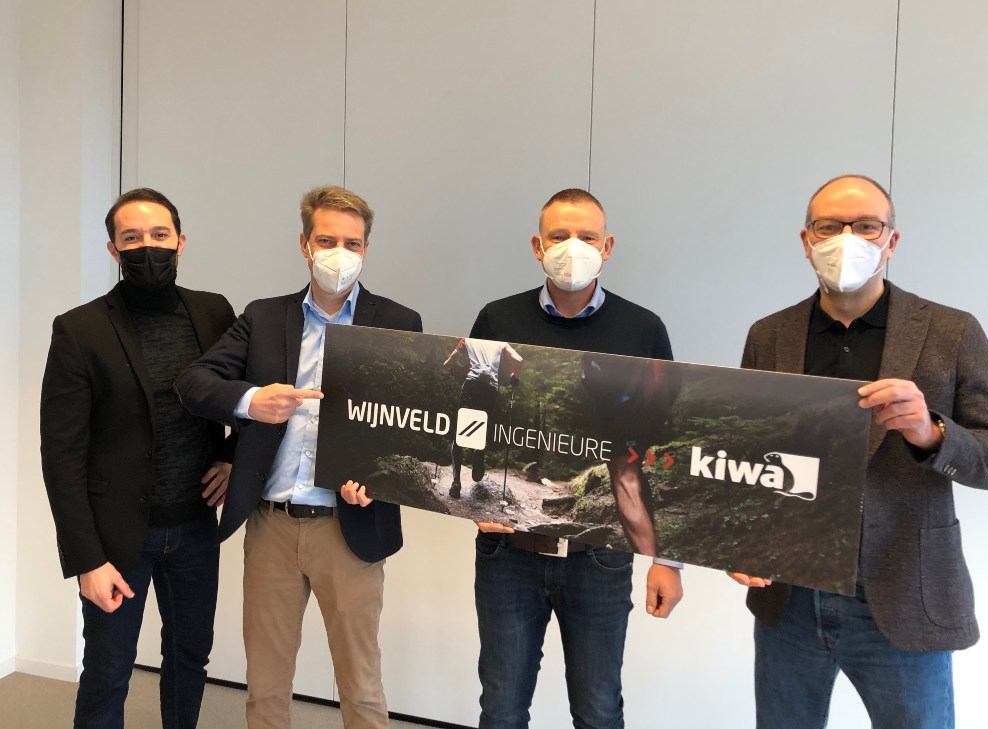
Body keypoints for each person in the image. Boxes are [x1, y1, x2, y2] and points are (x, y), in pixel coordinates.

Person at [729, 174, 988, 729]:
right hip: (790, 598)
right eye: (829, 226)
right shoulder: (769, 335)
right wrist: (739, 538)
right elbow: (743, 456)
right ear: (806, 240)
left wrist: (932, 432)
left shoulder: (951, 331)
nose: (846, 239)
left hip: (903, 592)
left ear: (891, 241)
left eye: (866, 226)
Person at [174, 185, 421, 729]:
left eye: (352, 243)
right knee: (265, 685)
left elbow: (411, 429)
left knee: (361, 684)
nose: (340, 254)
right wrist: (251, 401)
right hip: (272, 525)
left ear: (366, 249)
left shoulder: (399, 323)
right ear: (305, 244)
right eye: (327, 241)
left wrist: (382, 480)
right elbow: (194, 382)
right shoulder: (264, 317)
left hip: (350, 526)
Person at [467, 188, 683, 728]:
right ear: (537, 245)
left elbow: (665, 443)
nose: (573, 247)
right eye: (559, 235)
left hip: (600, 557)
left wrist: (668, 559)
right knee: (501, 705)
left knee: (598, 707)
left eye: (587, 236)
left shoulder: (643, 329)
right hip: (507, 553)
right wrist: (470, 498)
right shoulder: (497, 318)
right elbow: (470, 412)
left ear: (607, 246)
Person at [40, 188, 236, 729]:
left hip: (196, 527)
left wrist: (232, 456)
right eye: (131, 238)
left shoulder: (214, 312)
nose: (147, 246)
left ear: (180, 241)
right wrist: (85, 560)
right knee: (108, 671)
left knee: (189, 660)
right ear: (113, 249)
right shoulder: (79, 329)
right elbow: (61, 454)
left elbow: (246, 394)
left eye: (159, 234)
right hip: (117, 539)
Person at [443, 337, 524, 497]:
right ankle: (479, 451)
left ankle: (456, 482)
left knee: (459, 434)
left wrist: (448, 365)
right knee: (482, 426)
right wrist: (515, 376)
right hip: (490, 390)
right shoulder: (501, 343)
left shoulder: (467, 340)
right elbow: (519, 360)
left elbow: (451, 360)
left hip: (471, 386)